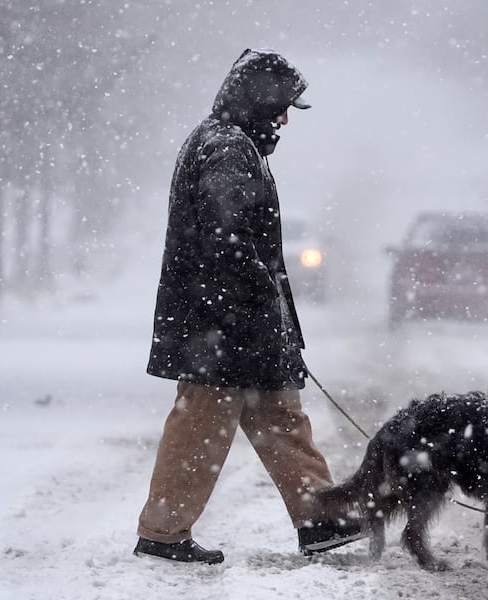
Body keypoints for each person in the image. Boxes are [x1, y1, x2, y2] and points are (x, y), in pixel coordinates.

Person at [134, 49, 364, 565]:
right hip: (220, 323)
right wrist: (257, 306)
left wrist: (270, 318)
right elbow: (228, 239)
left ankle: (319, 519)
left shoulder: (234, 144)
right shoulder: (225, 149)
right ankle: (163, 533)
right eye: (280, 106)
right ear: (256, 101)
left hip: (238, 321)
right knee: (202, 425)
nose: (285, 119)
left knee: (280, 416)